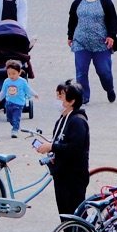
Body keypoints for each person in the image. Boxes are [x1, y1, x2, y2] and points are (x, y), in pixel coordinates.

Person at [35, 80, 90, 216]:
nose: (57, 100)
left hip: (73, 174)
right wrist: (50, 149)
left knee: (74, 212)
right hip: (62, 173)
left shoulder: (77, 121)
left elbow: (75, 148)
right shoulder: (62, 119)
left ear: (71, 101)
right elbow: (60, 142)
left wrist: (52, 146)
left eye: (60, 97)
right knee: (64, 211)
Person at [67, 0, 117, 105]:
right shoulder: (78, 1)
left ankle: (109, 88)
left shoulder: (105, 0)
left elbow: (113, 19)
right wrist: (70, 36)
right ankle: (83, 95)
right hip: (81, 42)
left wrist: (112, 36)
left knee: (104, 71)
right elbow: (72, 18)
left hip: (101, 43)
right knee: (81, 72)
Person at [0, 60, 34, 139]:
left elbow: (28, 89)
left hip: (19, 104)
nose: (11, 76)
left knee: (16, 117)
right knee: (9, 117)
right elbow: (3, 91)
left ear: (19, 73)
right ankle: (16, 125)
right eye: (9, 74)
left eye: (13, 73)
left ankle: (15, 130)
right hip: (9, 103)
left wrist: (34, 94)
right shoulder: (7, 81)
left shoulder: (22, 81)